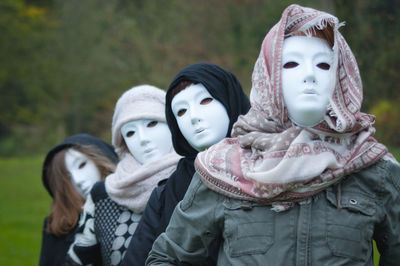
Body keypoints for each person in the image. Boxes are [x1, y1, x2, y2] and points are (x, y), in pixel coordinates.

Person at [147, 5, 400, 265]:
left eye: (324, 64)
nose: (309, 75)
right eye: (291, 63)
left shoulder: (376, 171)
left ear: (341, 76)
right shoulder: (224, 168)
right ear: (269, 77)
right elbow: (166, 258)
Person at [122, 62, 250, 265]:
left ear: (228, 98)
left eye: (205, 101)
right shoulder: (165, 194)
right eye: (181, 111)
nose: (193, 117)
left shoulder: (277, 171)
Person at [64, 85, 181, 266]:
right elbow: (80, 259)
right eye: (130, 132)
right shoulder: (103, 195)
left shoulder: (201, 180)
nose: (142, 138)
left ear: (173, 125)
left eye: (151, 123)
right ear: (123, 143)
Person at [39, 133, 118, 266]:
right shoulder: (58, 226)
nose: (78, 180)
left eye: (81, 165)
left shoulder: (137, 208)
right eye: (68, 177)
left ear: (101, 160)